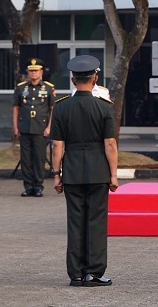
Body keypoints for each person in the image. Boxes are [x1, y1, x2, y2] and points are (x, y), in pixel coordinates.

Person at [50, 55, 118, 287]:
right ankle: (94, 272)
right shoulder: (104, 108)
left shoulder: (61, 107)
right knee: (96, 222)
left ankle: (76, 273)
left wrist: (56, 173)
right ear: (95, 78)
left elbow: (57, 145)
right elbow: (110, 144)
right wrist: (113, 175)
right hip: (98, 170)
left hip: (71, 170)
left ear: (72, 79)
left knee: (75, 221)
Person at [13, 58, 55, 197]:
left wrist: (49, 127)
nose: (33, 73)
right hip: (25, 127)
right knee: (26, 159)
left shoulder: (48, 88)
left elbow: (52, 109)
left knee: (39, 158)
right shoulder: (21, 87)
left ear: (41, 72)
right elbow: (16, 108)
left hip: (40, 128)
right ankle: (28, 186)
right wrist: (15, 127)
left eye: (36, 70)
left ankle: (38, 186)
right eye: (31, 71)